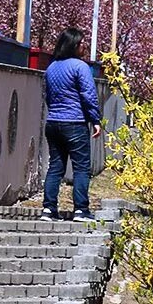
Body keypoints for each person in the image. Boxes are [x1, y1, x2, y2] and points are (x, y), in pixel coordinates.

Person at [42, 28, 103, 220]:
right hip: (74, 122)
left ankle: (48, 209)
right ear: (74, 45)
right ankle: (81, 210)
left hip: (53, 123)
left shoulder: (51, 68)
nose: (84, 46)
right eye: (82, 43)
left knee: (55, 167)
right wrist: (95, 119)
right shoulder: (80, 66)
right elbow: (88, 95)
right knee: (81, 167)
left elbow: (48, 96)